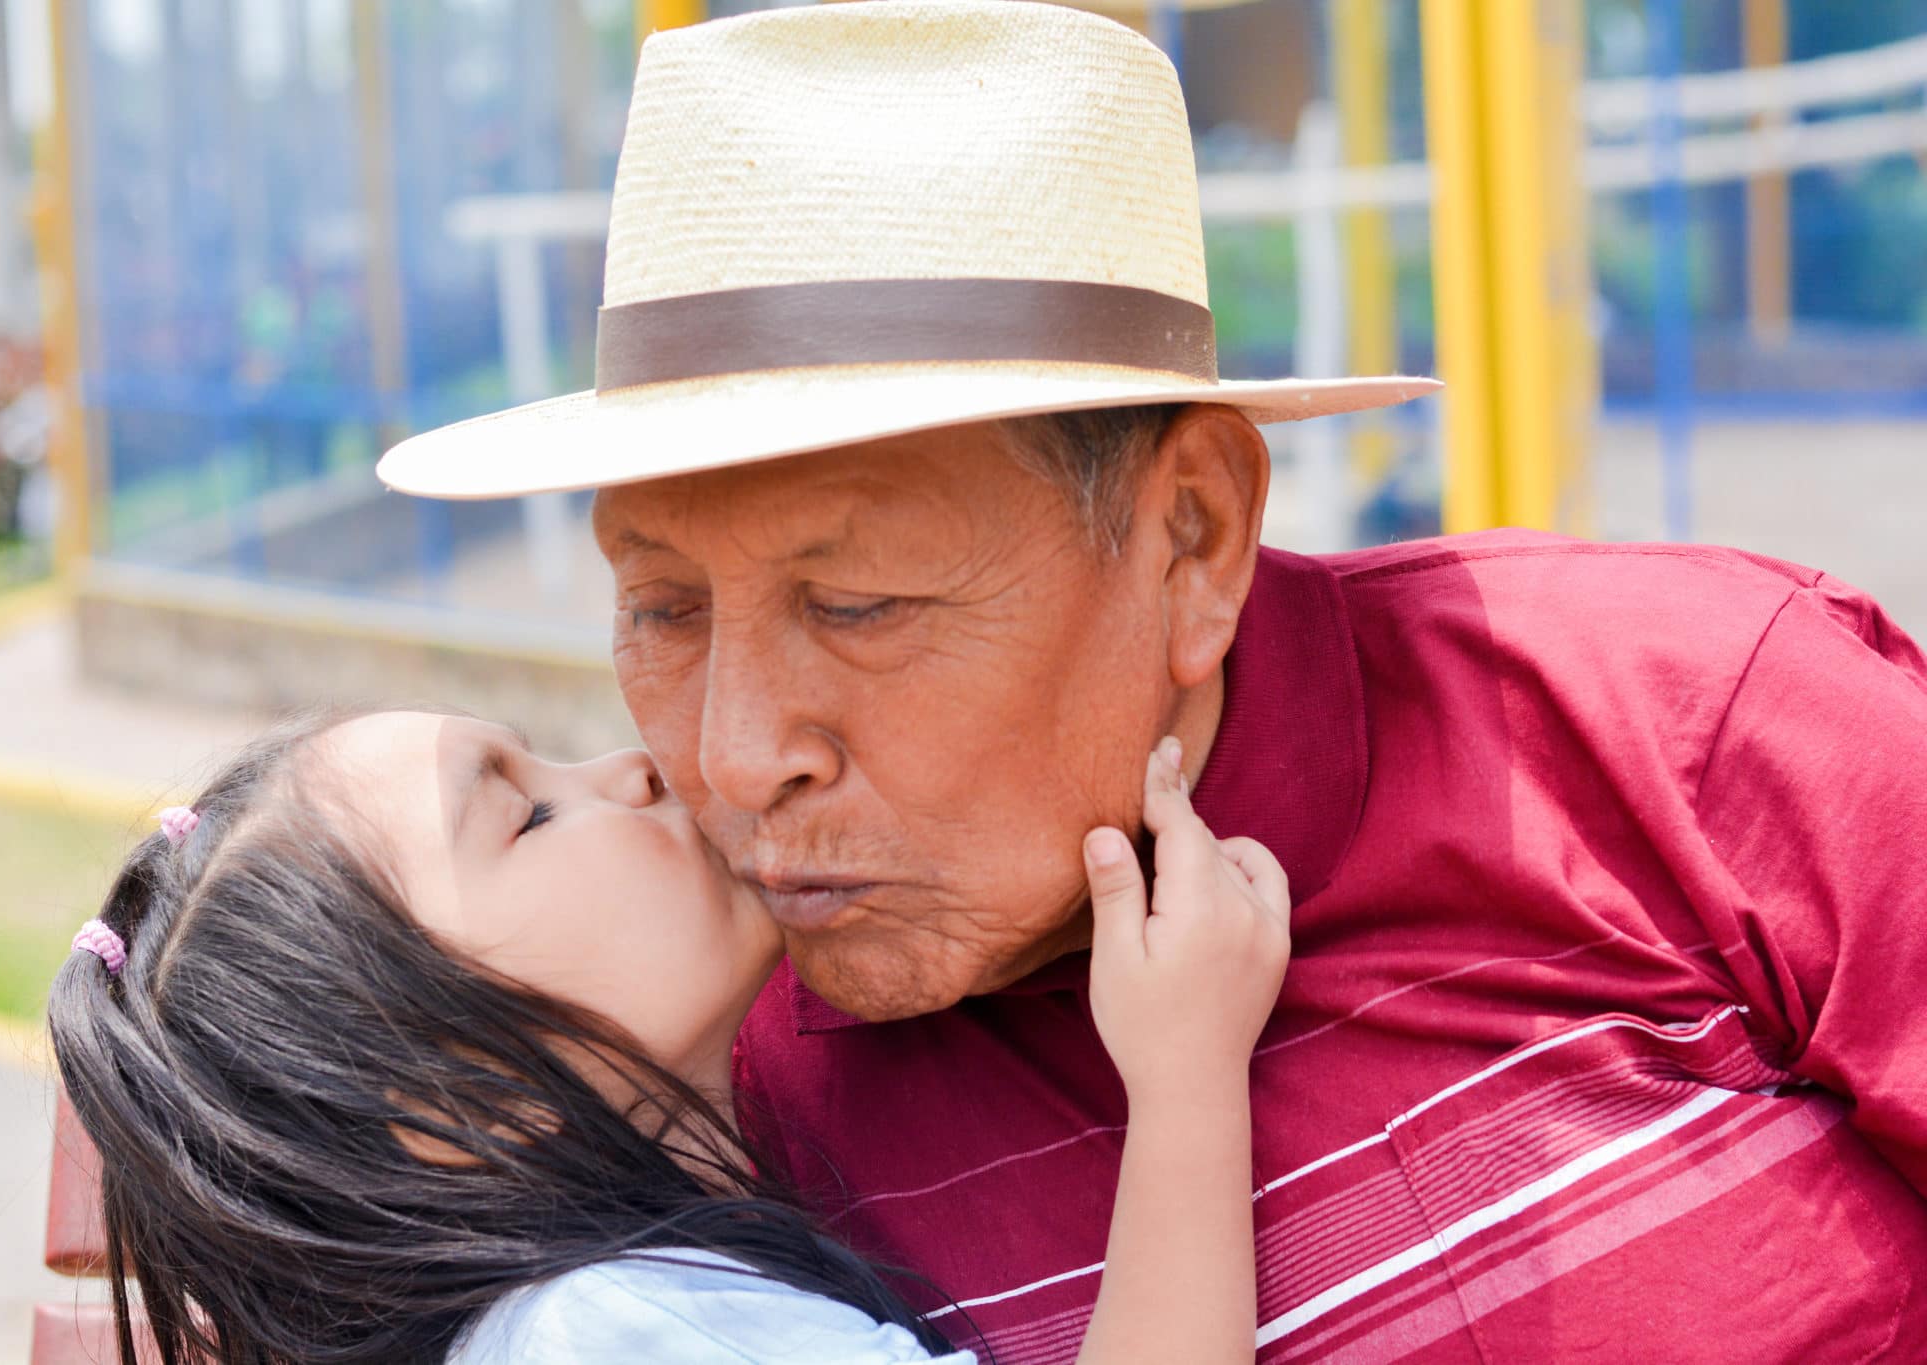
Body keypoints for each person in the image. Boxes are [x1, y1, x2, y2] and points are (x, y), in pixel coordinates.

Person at [378, 2, 1927, 1360]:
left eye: (856, 600)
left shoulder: (1688, 724)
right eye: (659, 606)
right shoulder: (732, 1109)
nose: (732, 758)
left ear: (1190, 537)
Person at [48, 706, 1290, 1365]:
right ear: (453, 1110)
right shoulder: (621, 1335)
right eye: (528, 816)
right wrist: (1184, 1073)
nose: (632, 766)